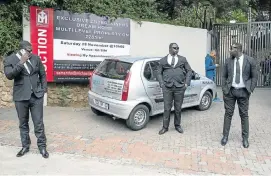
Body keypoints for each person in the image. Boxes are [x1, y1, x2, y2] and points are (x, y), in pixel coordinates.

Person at [3, 40, 49, 158]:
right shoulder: (10, 60)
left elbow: (42, 74)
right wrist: (21, 63)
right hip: (20, 97)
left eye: (31, 50)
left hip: (36, 96)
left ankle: (42, 147)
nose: (31, 52)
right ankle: (25, 146)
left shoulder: (35, 58)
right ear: (22, 50)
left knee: (38, 123)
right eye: (28, 50)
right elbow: (9, 75)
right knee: (23, 123)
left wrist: (43, 89)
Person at [221, 43, 258, 148]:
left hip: (243, 92)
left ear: (238, 50)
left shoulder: (250, 60)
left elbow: (254, 77)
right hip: (230, 91)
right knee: (228, 114)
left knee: (244, 115)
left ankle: (245, 138)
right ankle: (225, 136)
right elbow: (223, 76)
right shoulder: (228, 61)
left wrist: (250, 89)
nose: (230, 50)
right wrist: (224, 89)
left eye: (232, 48)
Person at [157, 43, 192, 135]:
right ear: (169, 48)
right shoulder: (163, 60)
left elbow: (189, 71)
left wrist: (186, 83)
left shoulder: (182, 59)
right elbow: (159, 73)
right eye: (174, 48)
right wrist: (161, 83)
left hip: (179, 88)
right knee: (167, 108)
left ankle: (177, 125)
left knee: (178, 108)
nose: (176, 50)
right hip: (167, 88)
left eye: (178, 48)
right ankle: (165, 127)